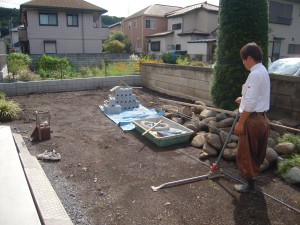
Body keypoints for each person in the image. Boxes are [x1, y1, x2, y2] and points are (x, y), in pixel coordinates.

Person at [234, 42, 270, 193]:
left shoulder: (254, 74)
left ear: (249, 58)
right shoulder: (263, 71)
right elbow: (256, 97)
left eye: (243, 59)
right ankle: (252, 182)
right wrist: (243, 98)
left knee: (246, 153)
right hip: (262, 118)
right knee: (256, 152)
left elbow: (251, 102)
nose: (243, 63)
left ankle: (250, 185)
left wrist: (241, 123)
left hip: (252, 120)